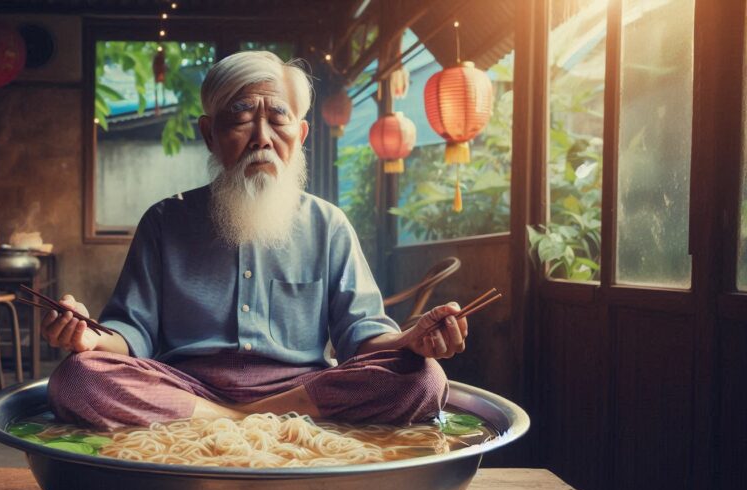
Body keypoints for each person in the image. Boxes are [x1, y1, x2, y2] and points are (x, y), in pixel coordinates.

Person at [41, 51, 468, 431]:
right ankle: (237, 421)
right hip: (186, 387)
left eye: (278, 118)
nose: (262, 136)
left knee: (424, 379)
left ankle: (238, 421)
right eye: (242, 117)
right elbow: (131, 331)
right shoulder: (164, 221)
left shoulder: (327, 224)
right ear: (210, 134)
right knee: (77, 377)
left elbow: (362, 334)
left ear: (300, 136)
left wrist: (410, 340)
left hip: (302, 389)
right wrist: (89, 337)